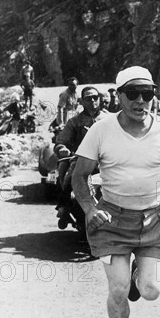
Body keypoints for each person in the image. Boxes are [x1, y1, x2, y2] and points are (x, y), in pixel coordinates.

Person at [72, 66, 160, 318]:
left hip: (152, 218)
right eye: (132, 94)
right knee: (118, 289)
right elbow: (79, 176)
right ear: (118, 96)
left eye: (146, 94)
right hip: (111, 220)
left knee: (149, 290)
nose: (140, 101)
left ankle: (139, 275)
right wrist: (90, 209)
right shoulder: (101, 130)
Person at [55, 86, 109, 220]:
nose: (92, 101)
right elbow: (62, 140)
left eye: (95, 98)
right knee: (71, 175)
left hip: (107, 160)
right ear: (82, 101)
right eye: (88, 98)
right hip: (82, 160)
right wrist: (62, 148)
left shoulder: (110, 120)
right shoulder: (74, 122)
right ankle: (64, 205)